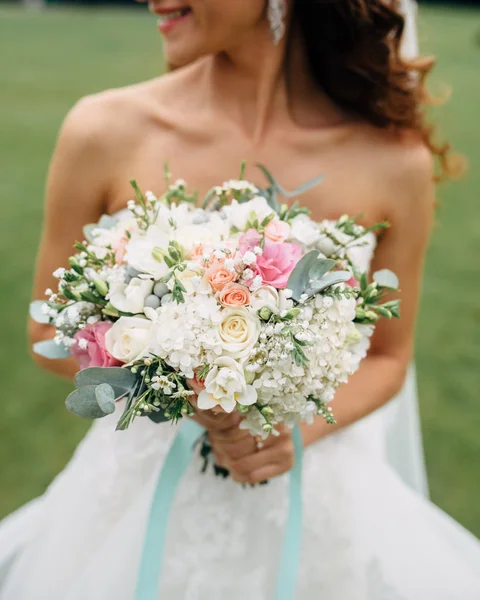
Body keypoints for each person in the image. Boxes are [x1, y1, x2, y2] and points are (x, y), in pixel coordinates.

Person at [1, 0, 479, 598]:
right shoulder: (103, 130)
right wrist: (181, 390)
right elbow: (48, 339)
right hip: (131, 497)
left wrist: (290, 434)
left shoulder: (393, 163)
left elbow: (387, 356)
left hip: (317, 505)